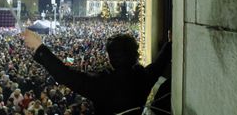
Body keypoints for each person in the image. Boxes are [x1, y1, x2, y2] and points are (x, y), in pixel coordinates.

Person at [22, 29, 172, 115]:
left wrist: (39, 47)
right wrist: (170, 44)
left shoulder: (102, 84)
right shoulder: (143, 77)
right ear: (135, 55)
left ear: (110, 57)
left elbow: (66, 75)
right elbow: (159, 64)